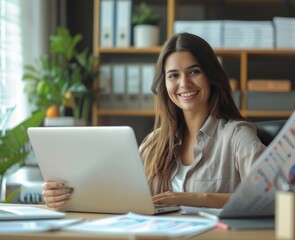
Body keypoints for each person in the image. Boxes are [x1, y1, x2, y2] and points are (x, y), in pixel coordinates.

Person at [42, 32, 266, 209]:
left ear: (211, 76)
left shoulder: (237, 136)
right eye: (173, 75)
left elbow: (269, 195)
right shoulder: (153, 144)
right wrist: (63, 197)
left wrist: (198, 198)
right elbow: (119, 196)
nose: (184, 83)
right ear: (164, 84)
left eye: (194, 72)